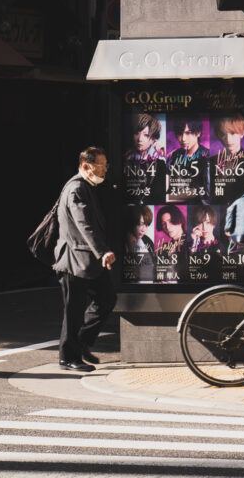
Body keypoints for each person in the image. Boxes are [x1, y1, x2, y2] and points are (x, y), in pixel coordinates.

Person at [53, 147, 117, 372]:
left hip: (87, 260)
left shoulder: (87, 187)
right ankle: (68, 357)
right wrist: (103, 251)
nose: (105, 170)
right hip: (73, 260)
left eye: (105, 166)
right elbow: (84, 225)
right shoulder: (76, 189)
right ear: (86, 166)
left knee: (106, 298)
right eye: (101, 166)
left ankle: (80, 343)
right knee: (73, 310)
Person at [167, 118, 211, 201]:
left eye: (188, 133)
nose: (183, 139)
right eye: (180, 133)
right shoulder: (173, 156)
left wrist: (169, 197)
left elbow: (204, 193)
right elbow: (166, 187)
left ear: (198, 133)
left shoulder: (207, 157)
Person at [124, 204, 155, 282]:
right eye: (140, 224)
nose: (143, 229)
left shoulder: (148, 241)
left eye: (147, 225)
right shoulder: (120, 240)